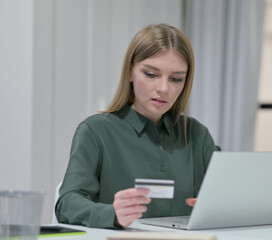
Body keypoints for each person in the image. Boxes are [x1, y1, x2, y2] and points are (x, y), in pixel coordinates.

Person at [55, 24, 220, 228]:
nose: (163, 89)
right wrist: (111, 214)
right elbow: (67, 204)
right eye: (151, 74)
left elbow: (227, 196)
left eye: (176, 79)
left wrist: (219, 206)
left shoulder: (197, 135)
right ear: (130, 73)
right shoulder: (95, 131)